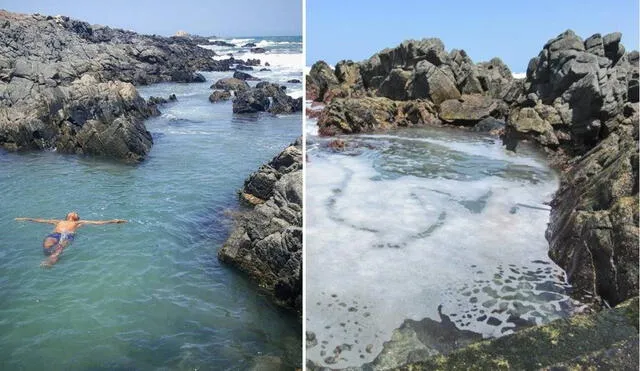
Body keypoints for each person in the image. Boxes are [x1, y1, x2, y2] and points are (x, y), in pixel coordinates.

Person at [15, 212, 127, 267]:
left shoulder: (78, 223)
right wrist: (26, 219)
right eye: (71, 212)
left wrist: (113, 221)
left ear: (77, 218)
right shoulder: (58, 221)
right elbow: (41, 220)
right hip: (55, 235)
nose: (73, 212)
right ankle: (50, 254)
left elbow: (98, 222)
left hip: (67, 235)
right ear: (67, 216)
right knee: (48, 245)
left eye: (75, 213)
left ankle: (51, 260)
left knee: (60, 248)